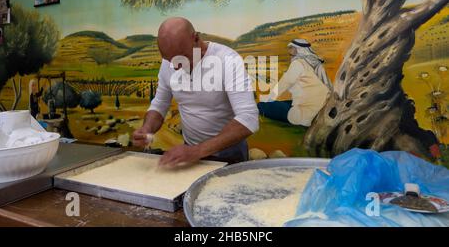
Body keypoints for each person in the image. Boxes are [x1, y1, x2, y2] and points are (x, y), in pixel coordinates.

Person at [133, 18, 259, 167]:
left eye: (182, 58)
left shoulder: (228, 60)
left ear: (196, 38)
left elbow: (248, 118)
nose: (175, 67)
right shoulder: (171, 62)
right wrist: (147, 129)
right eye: (169, 60)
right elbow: (159, 105)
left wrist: (197, 151)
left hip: (229, 153)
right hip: (191, 152)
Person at [258, 39, 332, 127]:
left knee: (262, 105)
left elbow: (285, 83)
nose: (289, 51)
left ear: (299, 49)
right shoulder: (316, 63)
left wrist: (269, 98)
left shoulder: (298, 63)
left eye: (291, 48)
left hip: (307, 112)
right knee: (285, 103)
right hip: (321, 106)